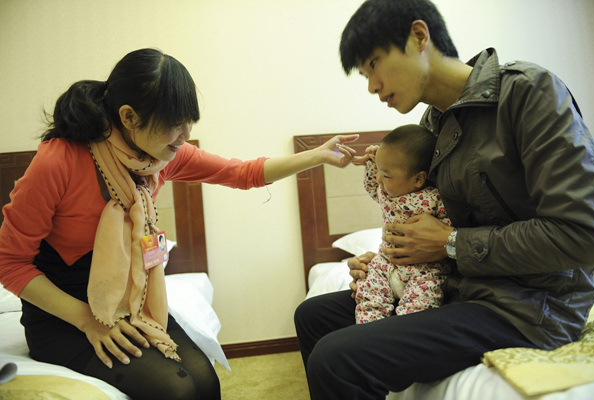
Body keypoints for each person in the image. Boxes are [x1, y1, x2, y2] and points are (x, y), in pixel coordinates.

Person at [0, 48, 358, 400]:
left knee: (206, 382)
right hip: (65, 312)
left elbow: (242, 173)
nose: (184, 135)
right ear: (129, 117)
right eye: (174, 123)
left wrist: (318, 155)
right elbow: (10, 263)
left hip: (132, 300)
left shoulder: (160, 156)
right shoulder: (59, 160)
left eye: (189, 121)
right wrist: (88, 322)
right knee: (177, 390)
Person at [294, 0, 594, 398]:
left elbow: (584, 234)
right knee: (313, 316)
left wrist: (451, 242)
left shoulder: (528, 93)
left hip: (527, 306)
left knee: (336, 359)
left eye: (374, 64)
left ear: (419, 36)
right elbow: (430, 224)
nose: (371, 86)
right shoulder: (432, 127)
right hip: (460, 288)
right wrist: (389, 263)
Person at [352, 124, 450, 323]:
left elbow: (447, 225)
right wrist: (372, 163)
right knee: (368, 287)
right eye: (379, 172)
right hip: (386, 262)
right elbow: (371, 185)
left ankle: (404, 328)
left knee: (423, 300)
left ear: (419, 179)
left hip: (423, 269)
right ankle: (368, 326)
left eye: (386, 175)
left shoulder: (435, 198)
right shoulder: (385, 192)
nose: (379, 179)